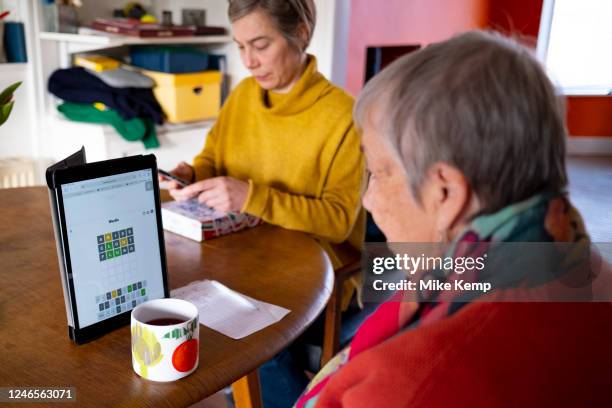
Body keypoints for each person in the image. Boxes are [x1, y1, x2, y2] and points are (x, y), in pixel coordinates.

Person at [295, 30, 612, 407]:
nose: (368, 198)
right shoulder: (572, 256)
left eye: (378, 172)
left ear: (445, 194)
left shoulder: (413, 383)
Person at [165, 1, 365, 406]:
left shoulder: (344, 115)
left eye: (260, 44)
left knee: (245, 342)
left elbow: (339, 221)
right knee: (171, 295)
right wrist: (191, 175)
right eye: (240, 46)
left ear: (301, 35)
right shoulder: (243, 95)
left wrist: (253, 197)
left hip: (318, 272)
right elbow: (212, 160)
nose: (248, 62)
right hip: (241, 255)